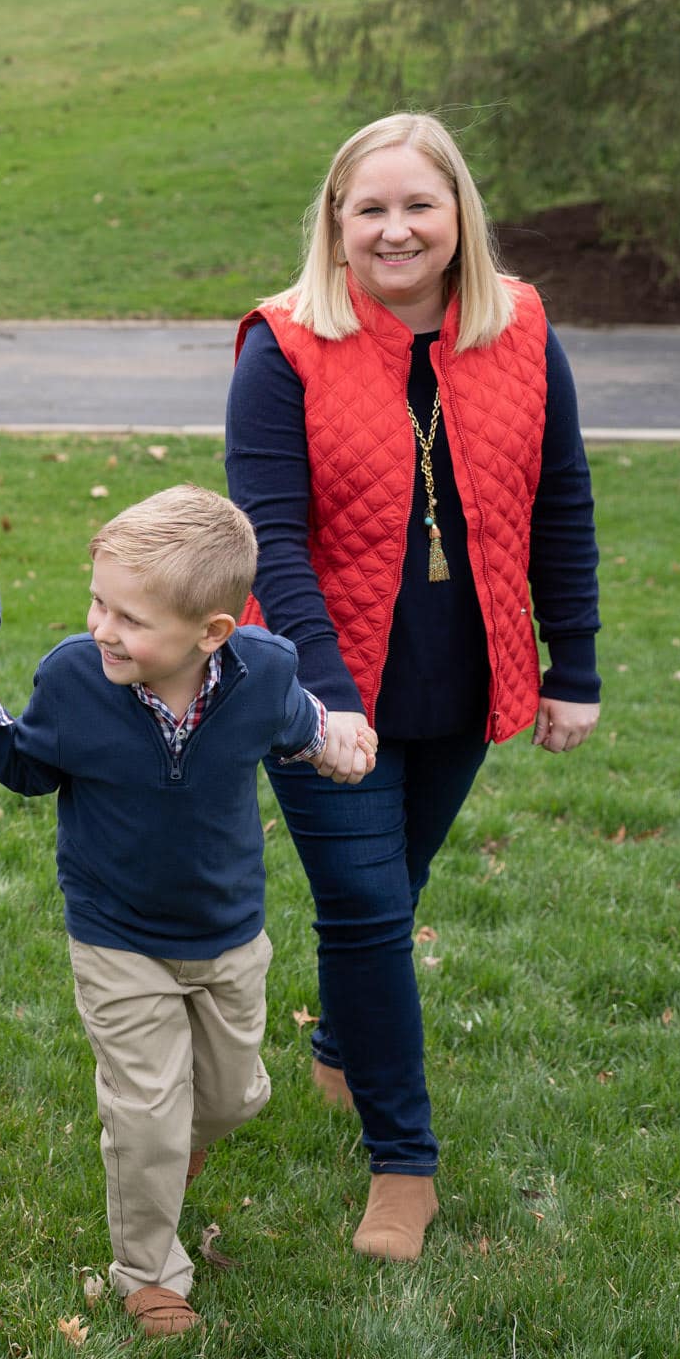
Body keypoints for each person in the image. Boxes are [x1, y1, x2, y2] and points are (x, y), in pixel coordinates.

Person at [223, 113, 601, 1263]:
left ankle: (342, 1042)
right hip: (317, 684)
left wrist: (571, 662)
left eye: (416, 206)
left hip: (460, 675)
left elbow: (560, 500)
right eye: (368, 208)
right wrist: (325, 696)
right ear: (334, 222)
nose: (393, 229)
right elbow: (270, 541)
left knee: (395, 882)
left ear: (456, 217)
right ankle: (403, 1167)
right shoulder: (282, 345)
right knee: (367, 909)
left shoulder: (519, 328)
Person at [0, 485, 374, 1338]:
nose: (101, 628)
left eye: (129, 618)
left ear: (212, 632)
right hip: (117, 934)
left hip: (227, 932)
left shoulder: (263, 672)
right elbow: (29, 765)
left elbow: (297, 721)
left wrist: (334, 742)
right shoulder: (74, 679)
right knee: (145, 1109)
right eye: (99, 601)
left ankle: (172, 1145)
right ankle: (149, 1273)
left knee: (231, 1096)